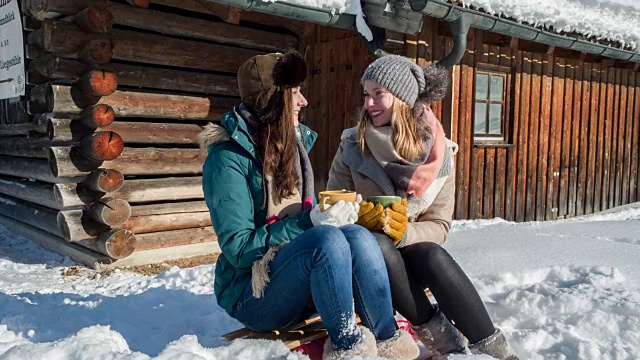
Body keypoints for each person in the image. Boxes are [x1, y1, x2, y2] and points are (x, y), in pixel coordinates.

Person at [199, 51, 419, 360]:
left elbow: (311, 225)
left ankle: (386, 339)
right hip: (254, 293)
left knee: (356, 235)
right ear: (271, 100)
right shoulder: (227, 160)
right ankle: (348, 348)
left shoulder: (292, 147)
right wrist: (311, 223)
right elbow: (238, 248)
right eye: (294, 94)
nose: (303, 101)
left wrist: (341, 216)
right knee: (325, 239)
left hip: (300, 281)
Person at [327, 54, 519, 360]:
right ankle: (449, 347)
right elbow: (334, 206)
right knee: (379, 244)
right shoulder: (352, 146)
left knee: (430, 252)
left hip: (413, 248)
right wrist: (366, 216)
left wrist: (403, 231)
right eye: (366, 94)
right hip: (366, 256)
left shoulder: (440, 155)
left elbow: (439, 226)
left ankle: (497, 350)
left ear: (403, 99)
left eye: (379, 94)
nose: (369, 103)